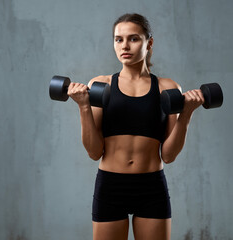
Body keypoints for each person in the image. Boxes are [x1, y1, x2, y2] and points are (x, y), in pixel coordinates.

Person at [67, 13, 204, 240]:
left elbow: (168, 156)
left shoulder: (167, 89)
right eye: (118, 39)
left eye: (133, 38)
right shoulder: (101, 85)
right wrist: (83, 106)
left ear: (149, 43)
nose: (125, 46)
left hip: (151, 187)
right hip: (111, 186)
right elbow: (93, 153)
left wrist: (186, 113)